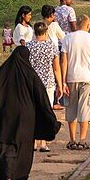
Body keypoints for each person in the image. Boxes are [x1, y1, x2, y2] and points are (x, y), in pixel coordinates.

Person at [0, 45, 60, 180]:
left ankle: (4, 178)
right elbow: (41, 97)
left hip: (4, 115)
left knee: (3, 145)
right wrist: (50, 117)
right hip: (25, 117)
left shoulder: (1, 74)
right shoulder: (31, 74)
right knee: (23, 148)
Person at [60, 16, 90, 150]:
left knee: (71, 109)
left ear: (77, 24)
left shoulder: (68, 38)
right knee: (85, 108)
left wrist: (63, 82)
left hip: (71, 77)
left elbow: (64, 61)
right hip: (88, 78)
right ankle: (82, 139)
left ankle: (72, 139)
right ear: (88, 25)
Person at [26, 22, 62, 151]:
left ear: (35, 33)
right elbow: (56, 68)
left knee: (34, 111)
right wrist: (60, 85)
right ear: (46, 32)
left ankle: (34, 142)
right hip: (48, 83)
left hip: (33, 83)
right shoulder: (51, 46)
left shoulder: (29, 46)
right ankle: (43, 142)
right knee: (46, 111)